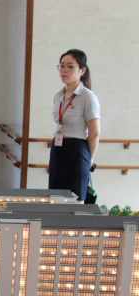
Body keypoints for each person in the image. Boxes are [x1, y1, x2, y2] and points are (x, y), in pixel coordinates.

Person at [48, 49, 100, 202]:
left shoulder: (87, 97)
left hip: (77, 151)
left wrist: (90, 158)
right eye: (62, 66)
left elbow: (94, 133)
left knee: (75, 200)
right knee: (55, 198)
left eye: (70, 67)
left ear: (82, 71)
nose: (64, 70)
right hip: (58, 149)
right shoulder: (58, 96)